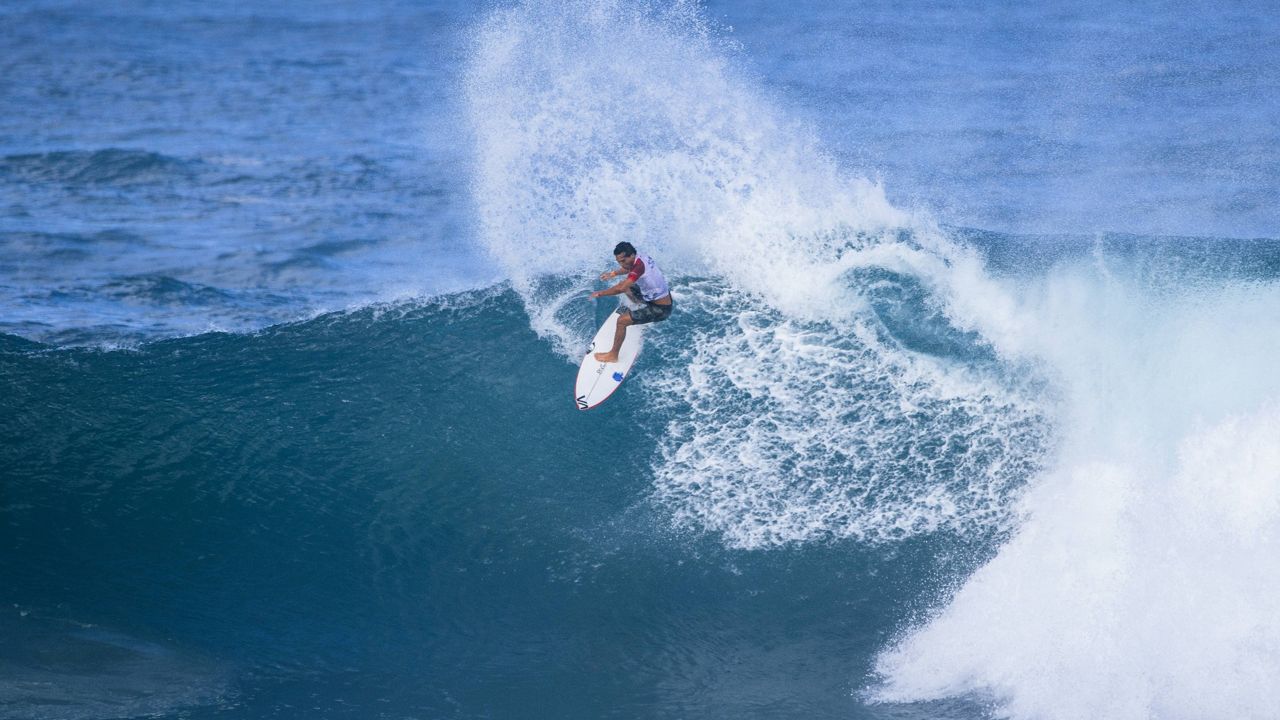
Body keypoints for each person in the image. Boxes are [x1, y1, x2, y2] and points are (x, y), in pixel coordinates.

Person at [589, 241, 673, 363]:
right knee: (627, 285)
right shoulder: (639, 257)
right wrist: (613, 273)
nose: (621, 264)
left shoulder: (638, 267)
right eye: (618, 262)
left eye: (623, 261)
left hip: (661, 309)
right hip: (656, 295)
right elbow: (629, 269)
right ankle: (639, 306)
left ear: (632, 255)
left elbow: (620, 289)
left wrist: (599, 293)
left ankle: (613, 355)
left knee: (622, 321)